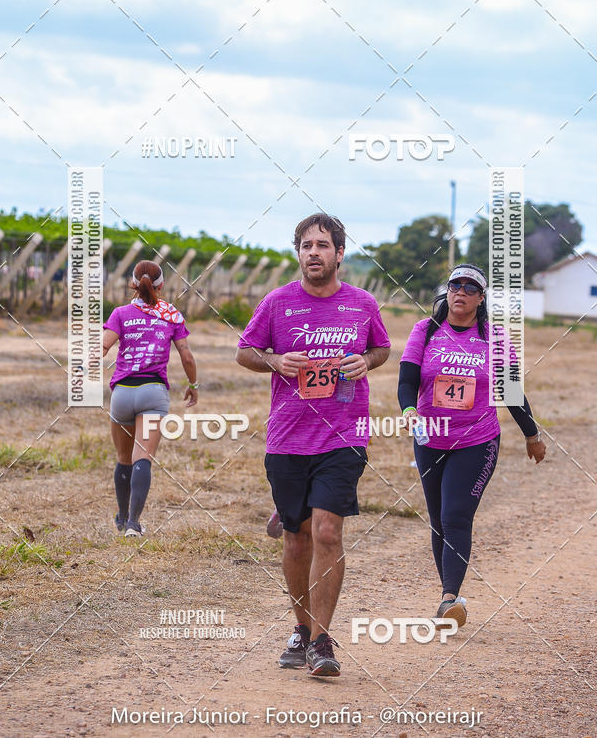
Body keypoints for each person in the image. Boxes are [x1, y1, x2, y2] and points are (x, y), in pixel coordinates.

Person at [236, 214, 391, 676]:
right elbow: (244, 352)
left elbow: (382, 348)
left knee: (327, 531)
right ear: (298, 252)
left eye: (323, 245)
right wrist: (275, 360)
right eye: (306, 245)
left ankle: (323, 642)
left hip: (343, 435)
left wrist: (366, 361)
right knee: (297, 537)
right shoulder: (278, 302)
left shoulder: (362, 305)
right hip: (287, 439)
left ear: (340, 253)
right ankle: (301, 630)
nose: (314, 253)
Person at [398, 263, 546, 627]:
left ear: (481, 298)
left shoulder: (494, 337)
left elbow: (512, 394)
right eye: (455, 285)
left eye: (469, 287)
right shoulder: (425, 330)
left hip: (476, 441)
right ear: (447, 292)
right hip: (430, 437)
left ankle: (450, 597)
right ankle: (448, 594)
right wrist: (408, 408)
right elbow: (407, 381)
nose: (460, 291)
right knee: (438, 521)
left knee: (455, 516)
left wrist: (532, 434)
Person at [102, 261, 198, 537]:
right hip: (153, 392)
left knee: (123, 458)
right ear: (162, 286)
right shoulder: (171, 314)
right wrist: (193, 384)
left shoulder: (121, 313)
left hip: (122, 393)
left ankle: (120, 518)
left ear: (133, 284)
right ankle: (133, 523)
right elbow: (187, 356)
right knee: (142, 457)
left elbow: (104, 345)